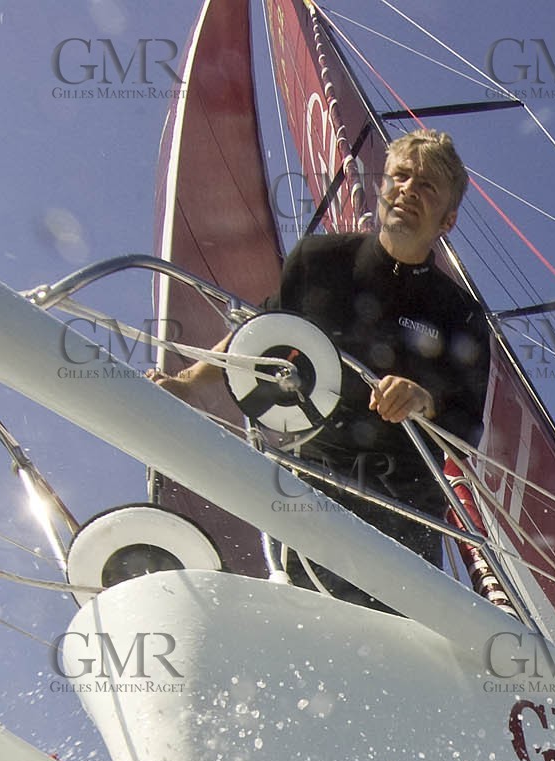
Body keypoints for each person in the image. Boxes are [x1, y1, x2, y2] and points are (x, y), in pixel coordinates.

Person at [149, 129, 491, 605]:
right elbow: (263, 334)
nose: (409, 189)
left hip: (406, 505)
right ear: (382, 187)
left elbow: (468, 426)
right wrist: (187, 383)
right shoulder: (320, 260)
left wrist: (422, 399)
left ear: (448, 219)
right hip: (315, 478)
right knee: (307, 614)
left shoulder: (462, 315)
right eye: (401, 176)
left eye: (428, 185)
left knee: (397, 640)